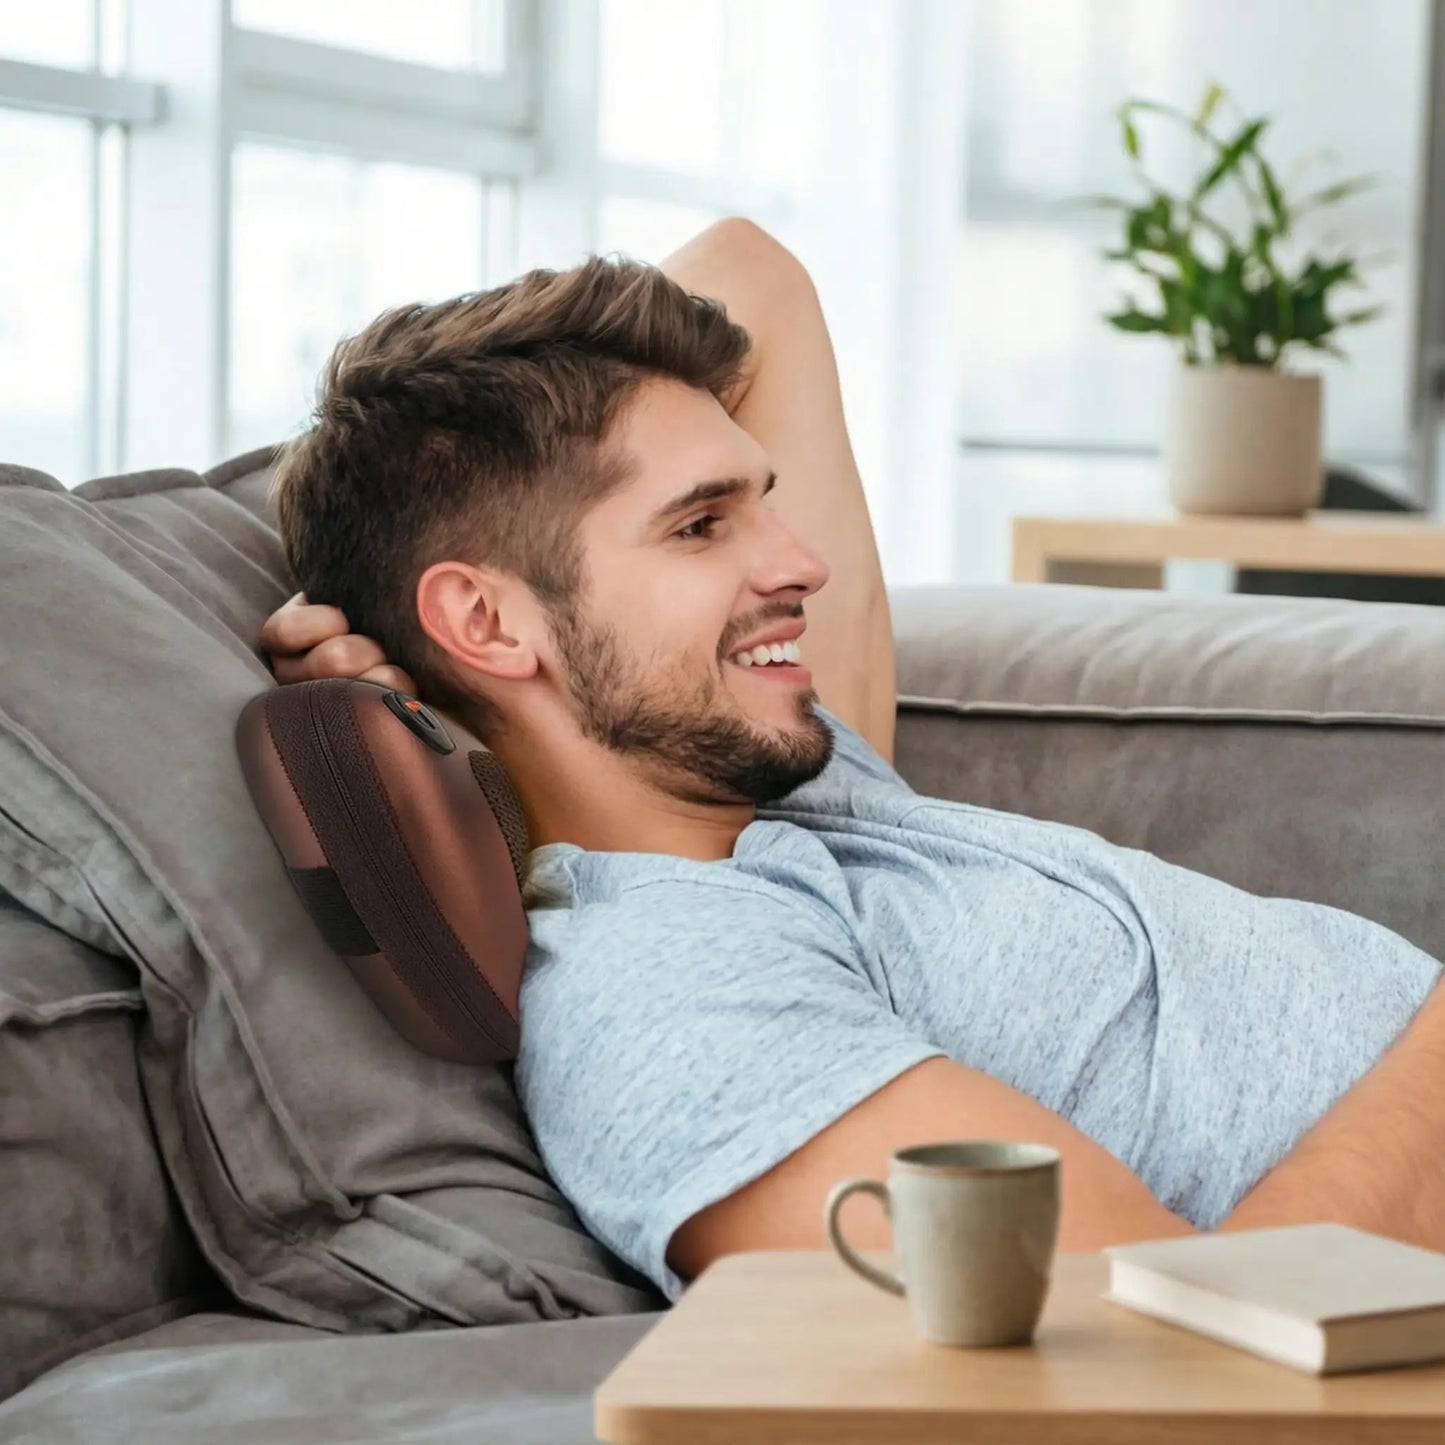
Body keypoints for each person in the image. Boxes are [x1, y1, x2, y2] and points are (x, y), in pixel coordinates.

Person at [260, 218, 1445, 1306]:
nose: (801, 563)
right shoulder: (673, 998)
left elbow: (747, 269)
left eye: (759, 502)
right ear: (484, 621)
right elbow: (1189, 1361)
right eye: (699, 523)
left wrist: (457, 693)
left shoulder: (787, 778)